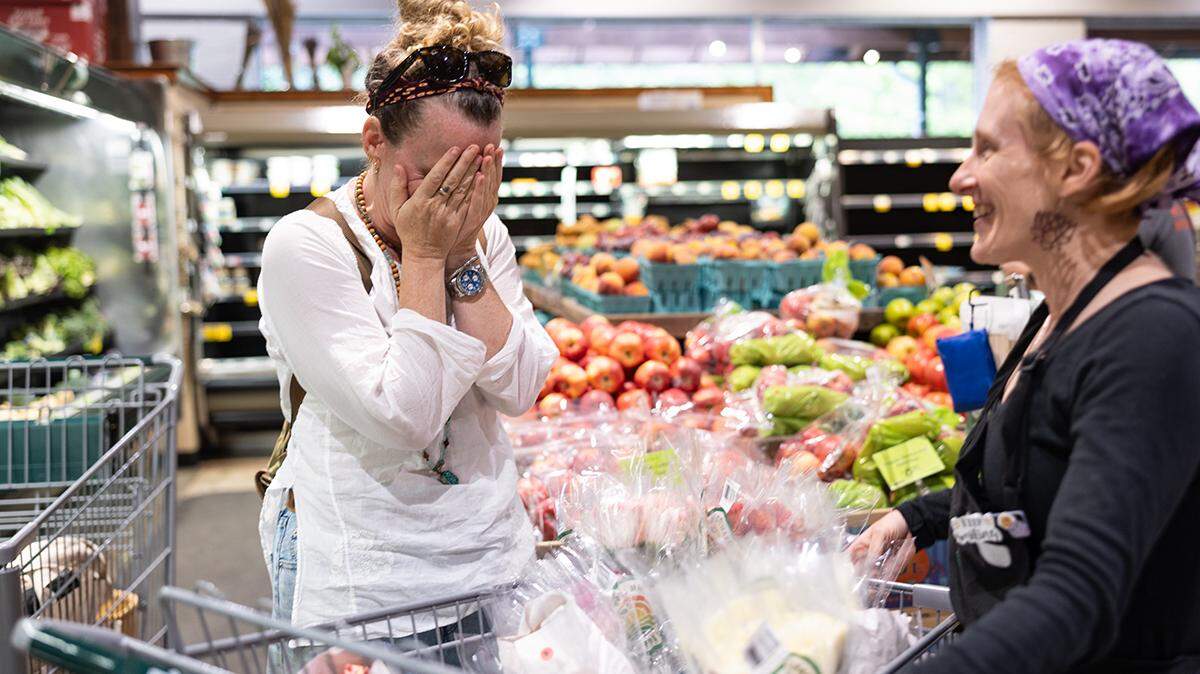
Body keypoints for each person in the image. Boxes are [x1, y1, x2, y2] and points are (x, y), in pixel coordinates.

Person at [851, 40, 1200, 672]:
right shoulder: (1061, 313)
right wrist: (917, 518)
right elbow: (1038, 487)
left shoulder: (1153, 338)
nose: (961, 176)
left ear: (1077, 169)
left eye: (986, 148)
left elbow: (1076, 597)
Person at [254, 0, 557, 663]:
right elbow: (405, 416)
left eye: (478, 173)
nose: (457, 197)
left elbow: (520, 383)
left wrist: (462, 252)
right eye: (435, 174)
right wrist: (423, 257)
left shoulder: (483, 232)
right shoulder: (307, 248)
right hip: (370, 585)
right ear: (374, 142)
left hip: (490, 565)